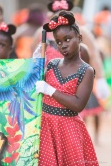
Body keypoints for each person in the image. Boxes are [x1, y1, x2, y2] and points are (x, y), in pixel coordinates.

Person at [36, 10, 99, 166]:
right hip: (46, 128)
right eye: (58, 42)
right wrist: (34, 63)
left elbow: (78, 104)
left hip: (68, 130)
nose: (63, 45)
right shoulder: (51, 65)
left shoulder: (86, 71)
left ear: (79, 38)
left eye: (67, 39)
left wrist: (50, 90)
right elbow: (33, 88)